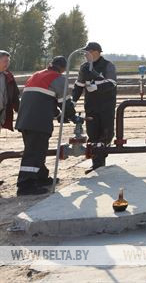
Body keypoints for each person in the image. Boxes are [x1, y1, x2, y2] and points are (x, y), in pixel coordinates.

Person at [15, 56, 76, 196]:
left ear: (51, 64)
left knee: (37, 150)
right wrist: (73, 117)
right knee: (34, 153)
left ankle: (40, 177)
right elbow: (65, 103)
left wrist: (58, 115)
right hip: (38, 122)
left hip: (25, 120)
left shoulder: (36, 75)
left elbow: (44, 100)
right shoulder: (59, 79)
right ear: (63, 68)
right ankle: (25, 185)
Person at [72, 42, 117, 170]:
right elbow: (79, 85)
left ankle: (100, 163)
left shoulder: (108, 65)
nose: (85, 55)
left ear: (95, 52)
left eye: (87, 52)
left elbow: (112, 83)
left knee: (105, 134)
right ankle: (97, 164)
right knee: (92, 134)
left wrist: (97, 87)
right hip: (91, 106)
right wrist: (73, 101)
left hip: (106, 106)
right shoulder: (84, 67)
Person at [0, 50, 20, 133]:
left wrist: (19, 111)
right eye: (5, 61)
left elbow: (15, 96)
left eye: (8, 61)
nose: (7, 64)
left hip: (2, 112)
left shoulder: (9, 76)